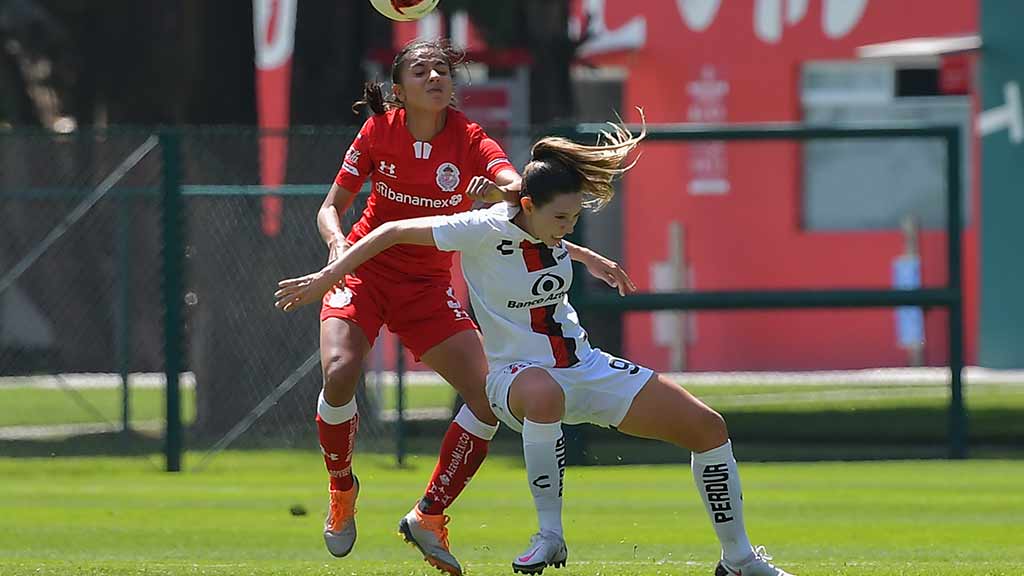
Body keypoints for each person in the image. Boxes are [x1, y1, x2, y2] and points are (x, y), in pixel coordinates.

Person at [276, 118, 796, 576]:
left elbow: (541, 234)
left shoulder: (545, 230)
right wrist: (327, 276)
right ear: (528, 205)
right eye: (564, 218)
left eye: (574, 219)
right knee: (544, 393)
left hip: (584, 366)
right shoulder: (478, 228)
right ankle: (549, 535)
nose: (568, 228)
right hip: (514, 376)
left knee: (708, 428)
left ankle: (739, 559)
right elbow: (387, 231)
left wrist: (586, 256)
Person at [307, 37, 634, 576]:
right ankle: (342, 487)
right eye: (422, 70)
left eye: (442, 69)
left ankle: (429, 514)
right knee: (340, 372)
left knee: (490, 399)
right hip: (364, 271)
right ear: (399, 90)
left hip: (427, 290)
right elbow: (330, 208)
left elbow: (519, 197)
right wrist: (338, 247)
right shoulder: (377, 132)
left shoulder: (470, 138)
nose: (436, 76)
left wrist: (516, 200)